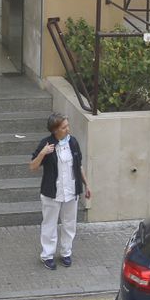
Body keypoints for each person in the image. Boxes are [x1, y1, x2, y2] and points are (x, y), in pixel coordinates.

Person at [29, 112, 92, 270]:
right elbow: (33, 167)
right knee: (49, 223)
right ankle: (47, 255)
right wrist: (43, 153)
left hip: (71, 191)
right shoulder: (46, 144)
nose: (68, 129)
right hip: (52, 192)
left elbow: (78, 166)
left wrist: (86, 185)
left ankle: (66, 252)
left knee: (69, 223)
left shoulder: (73, 143)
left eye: (67, 126)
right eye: (64, 127)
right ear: (55, 130)